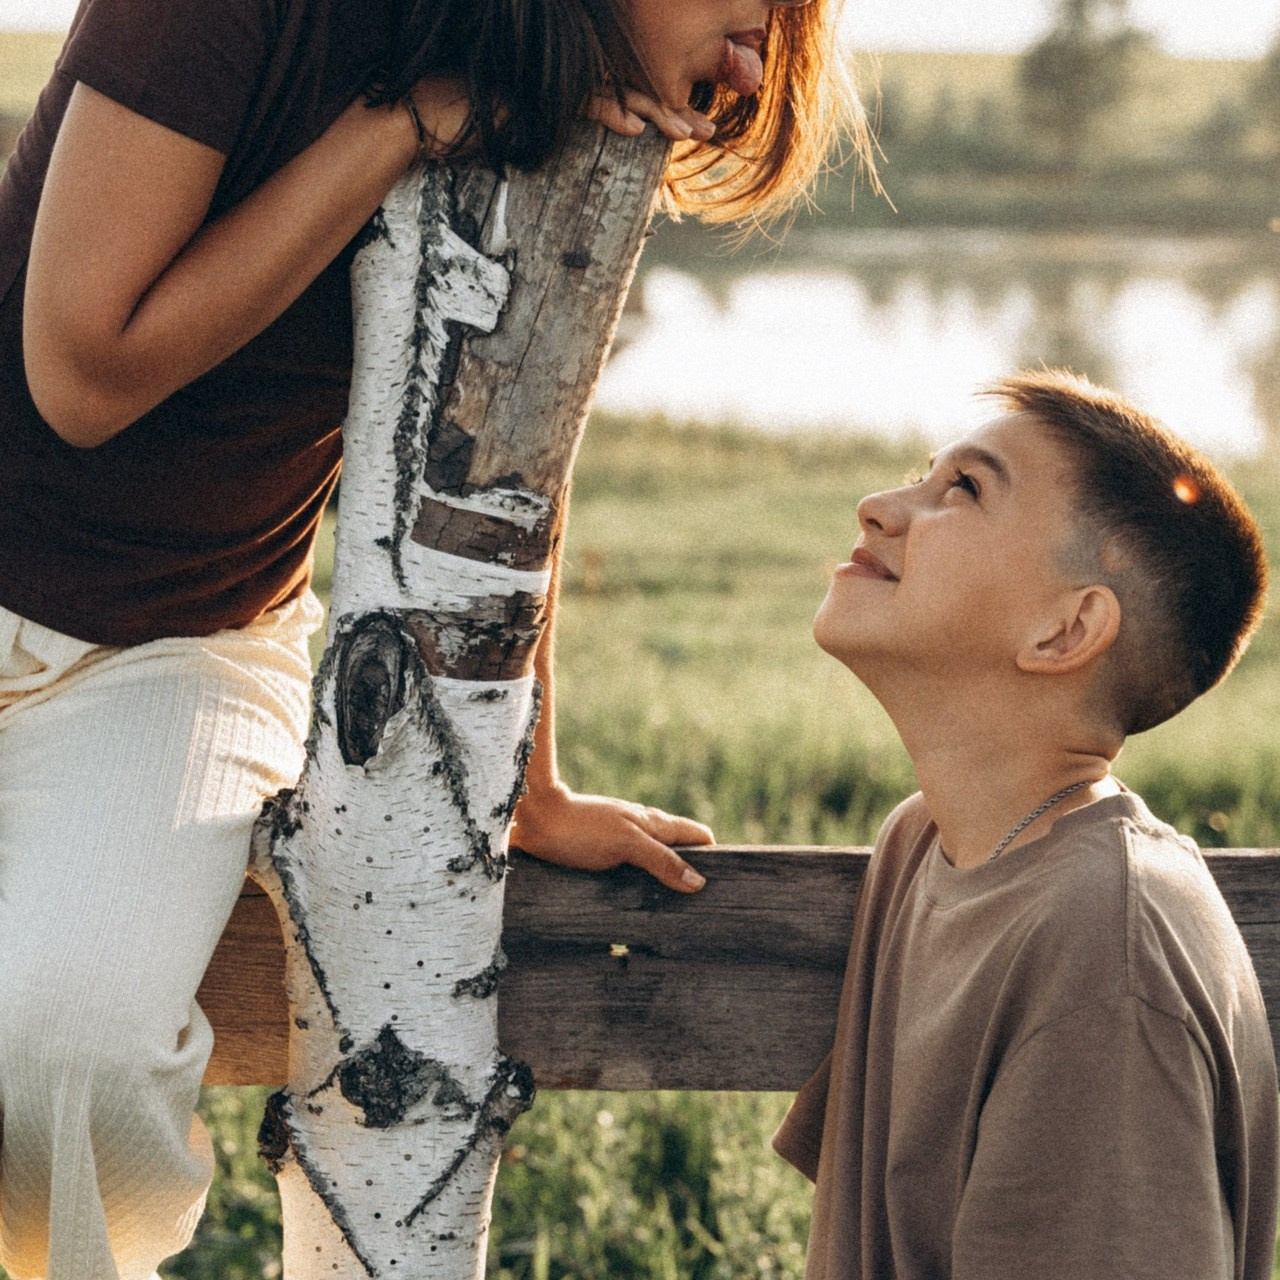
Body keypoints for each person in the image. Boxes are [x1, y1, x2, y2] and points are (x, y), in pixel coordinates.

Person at [0, 0, 868, 1275]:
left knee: (67, 1054)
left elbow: (502, 451)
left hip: (177, 655)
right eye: (753, 10)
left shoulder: (535, 105)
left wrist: (527, 777)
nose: (750, 65)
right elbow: (84, 375)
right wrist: (398, 129)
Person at [773, 370, 1279, 1279]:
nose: (879, 507)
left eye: (963, 489)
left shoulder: (1105, 947)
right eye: (923, 475)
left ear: (1065, 631)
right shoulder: (926, 841)